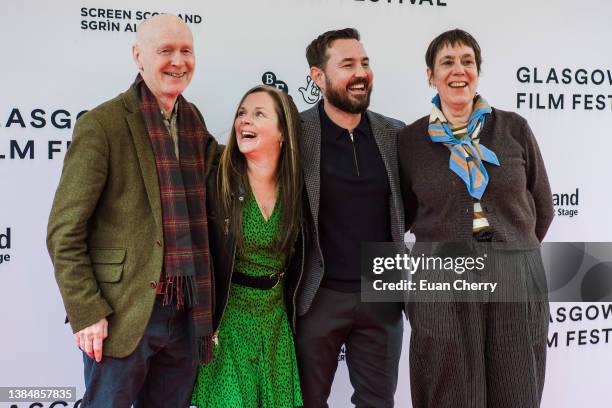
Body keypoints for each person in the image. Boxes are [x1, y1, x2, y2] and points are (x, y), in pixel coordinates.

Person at [46, 14, 220, 407]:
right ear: (138, 57)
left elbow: (225, 177)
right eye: (166, 51)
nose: (178, 61)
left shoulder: (192, 121)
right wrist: (87, 312)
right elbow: (64, 231)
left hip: (186, 312)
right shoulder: (103, 124)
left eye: (186, 51)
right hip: (122, 314)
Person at [398, 29, 554, 408]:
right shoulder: (410, 140)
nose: (458, 70)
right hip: (442, 276)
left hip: (514, 272)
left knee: (517, 389)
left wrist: (511, 250)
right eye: (447, 62)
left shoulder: (514, 128)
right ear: (430, 75)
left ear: (478, 71)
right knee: (450, 391)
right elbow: (400, 214)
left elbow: (542, 206)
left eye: (467, 61)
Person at [297, 28, 405, 407]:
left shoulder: (396, 134)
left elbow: (414, 211)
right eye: (347, 65)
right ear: (318, 77)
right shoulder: (296, 133)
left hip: (384, 296)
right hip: (317, 296)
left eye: (365, 62)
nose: (361, 73)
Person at [191, 85, 305, 408]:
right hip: (228, 325)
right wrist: (205, 322)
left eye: (258, 114)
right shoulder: (218, 179)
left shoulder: (299, 188)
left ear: (282, 133)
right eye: (241, 113)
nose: (245, 121)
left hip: (274, 324)